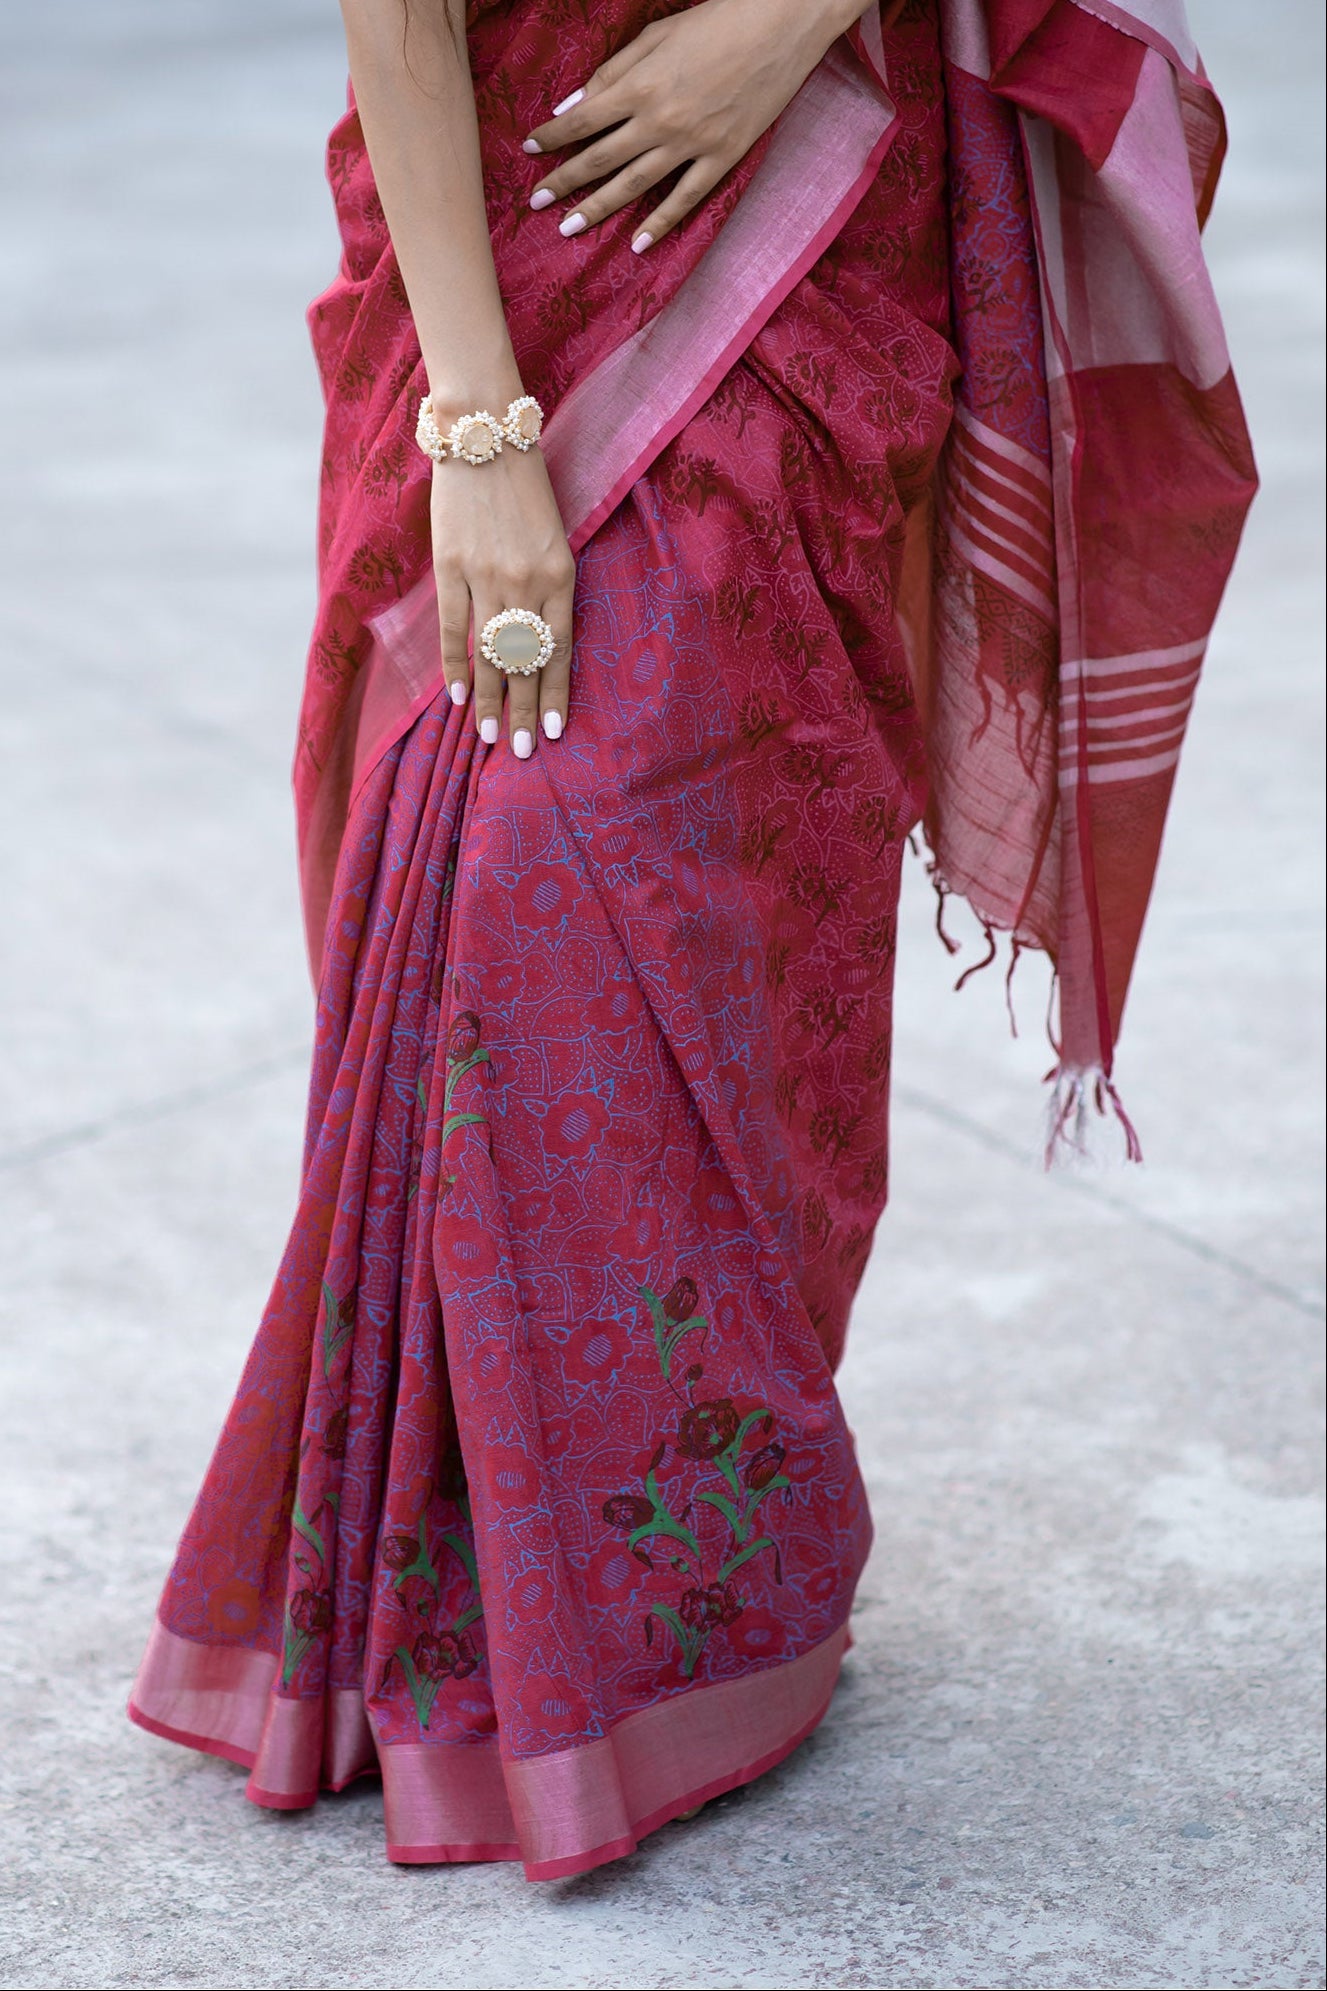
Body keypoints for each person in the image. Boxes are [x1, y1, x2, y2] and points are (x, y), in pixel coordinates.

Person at [128, 0, 1255, 1879]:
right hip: (507, 209)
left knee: (743, 881)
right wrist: (480, 432)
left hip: (802, 214)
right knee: (508, 871)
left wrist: (781, 26)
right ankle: (480, 1603)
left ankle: (697, 1597)